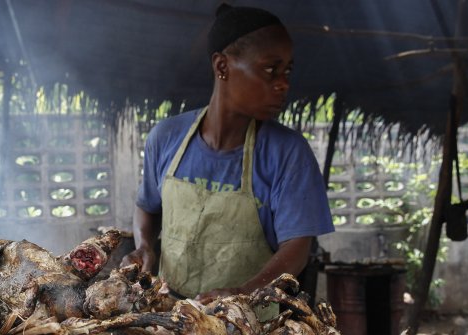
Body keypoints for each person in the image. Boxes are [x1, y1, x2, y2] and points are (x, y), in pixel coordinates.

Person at [121, 4, 334, 307]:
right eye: (270, 69)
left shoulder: (288, 153)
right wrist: (144, 246)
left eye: (287, 70)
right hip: (172, 315)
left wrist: (245, 294)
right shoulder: (167, 137)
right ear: (222, 67)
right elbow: (148, 206)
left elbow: (298, 247)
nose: (283, 83)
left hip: (253, 325)